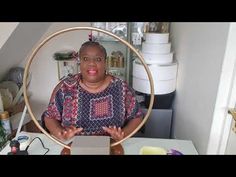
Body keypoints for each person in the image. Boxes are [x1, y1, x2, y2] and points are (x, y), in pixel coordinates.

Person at [41, 41, 143, 142]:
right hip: (72, 146)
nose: (92, 63)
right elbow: (50, 117)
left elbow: (137, 117)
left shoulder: (121, 88)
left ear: (105, 62)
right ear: (79, 62)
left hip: (112, 146)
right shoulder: (66, 88)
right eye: (85, 59)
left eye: (98, 59)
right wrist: (61, 134)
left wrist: (123, 134)